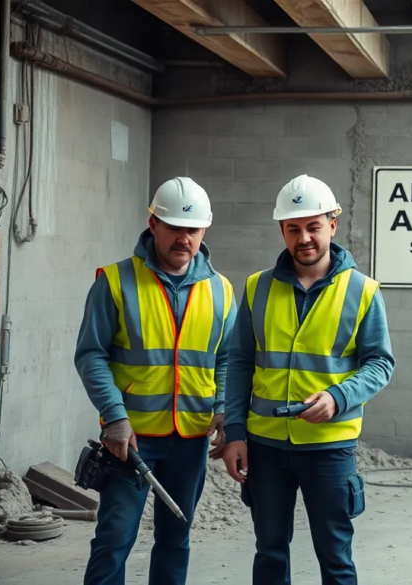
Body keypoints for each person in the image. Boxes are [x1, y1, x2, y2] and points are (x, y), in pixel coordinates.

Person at [220, 174, 395, 584]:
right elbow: (239, 361)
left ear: (333, 224)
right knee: (269, 553)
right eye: (294, 228)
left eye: (314, 226)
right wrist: (234, 433)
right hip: (264, 446)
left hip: (329, 447)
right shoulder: (257, 287)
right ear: (282, 230)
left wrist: (338, 397)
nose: (305, 238)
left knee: (335, 556)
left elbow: (380, 364)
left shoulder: (363, 291)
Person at [74, 176, 237, 585]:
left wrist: (221, 408)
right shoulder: (114, 281)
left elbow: (227, 359)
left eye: (193, 229)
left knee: (175, 537)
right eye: (174, 227)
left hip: (190, 437)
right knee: (114, 537)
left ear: (204, 230)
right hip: (130, 438)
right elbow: (90, 355)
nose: (184, 237)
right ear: (153, 224)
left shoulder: (221, 291)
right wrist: (114, 417)